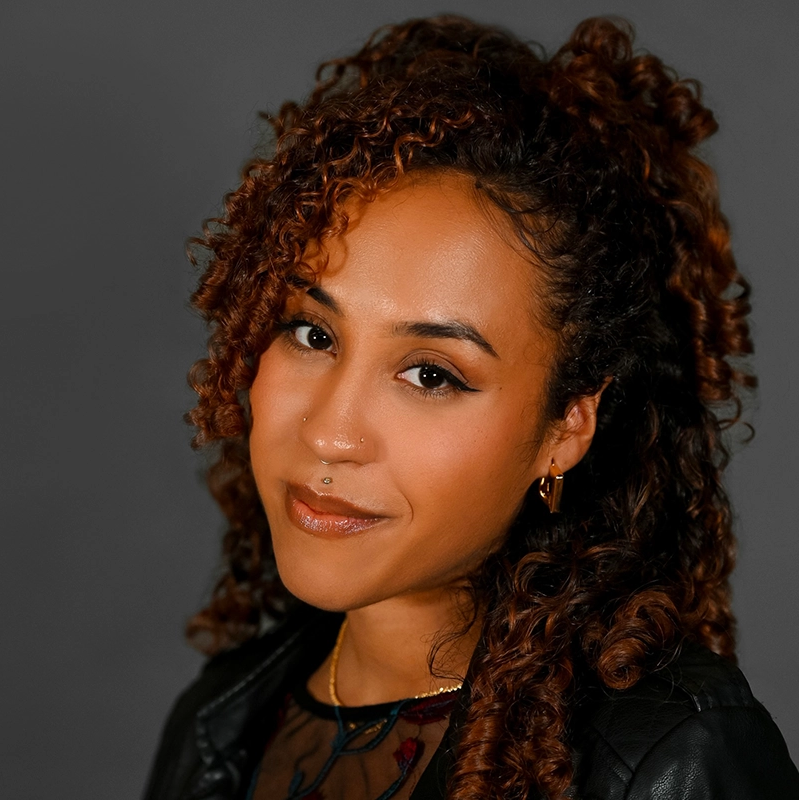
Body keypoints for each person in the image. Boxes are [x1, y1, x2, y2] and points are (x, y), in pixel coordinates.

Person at [144, 14, 799, 800]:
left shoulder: (672, 760)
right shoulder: (219, 722)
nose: (330, 432)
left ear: (565, 429)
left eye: (431, 375)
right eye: (312, 334)